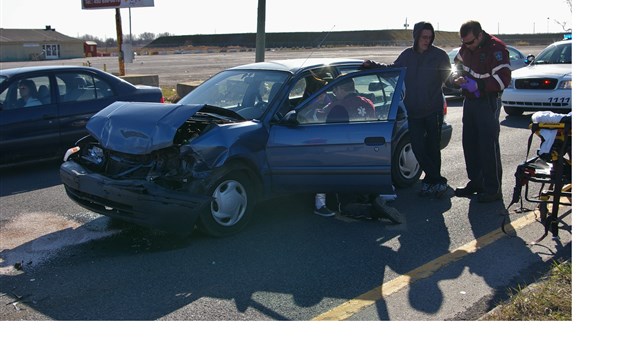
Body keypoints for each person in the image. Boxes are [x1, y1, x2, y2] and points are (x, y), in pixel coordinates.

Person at [362, 21, 451, 198]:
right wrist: (372, 65)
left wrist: (457, 81)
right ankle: (436, 180)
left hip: (433, 109)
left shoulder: (439, 55)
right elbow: (392, 69)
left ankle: (431, 182)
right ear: (416, 37)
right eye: (424, 37)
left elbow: (448, 78)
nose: (427, 40)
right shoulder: (407, 55)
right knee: (418, 147)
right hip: (414, 111)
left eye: (430, 37)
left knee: (433, 148)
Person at [452, 20, 511, 203]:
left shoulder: (496, 49)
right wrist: (457, 77)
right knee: (470, 143)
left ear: (479, 35)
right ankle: (476, 182)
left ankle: (493, 189)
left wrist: (479, 85)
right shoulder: (466, 48)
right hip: (470, 100)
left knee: (487, 145)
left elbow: (503, 79)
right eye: (464, 42)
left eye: (469, 42)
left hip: (487, 101)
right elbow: (457, 65)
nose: (466, 46)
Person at [313, 78, 375, 217]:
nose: (334, 94)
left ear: (341, 89)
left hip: (346, 152)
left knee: (319, 157)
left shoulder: (339, 106)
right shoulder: (369, 103)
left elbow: (329, 128)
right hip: (366, 151)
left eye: (335, 90)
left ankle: (320, 203)